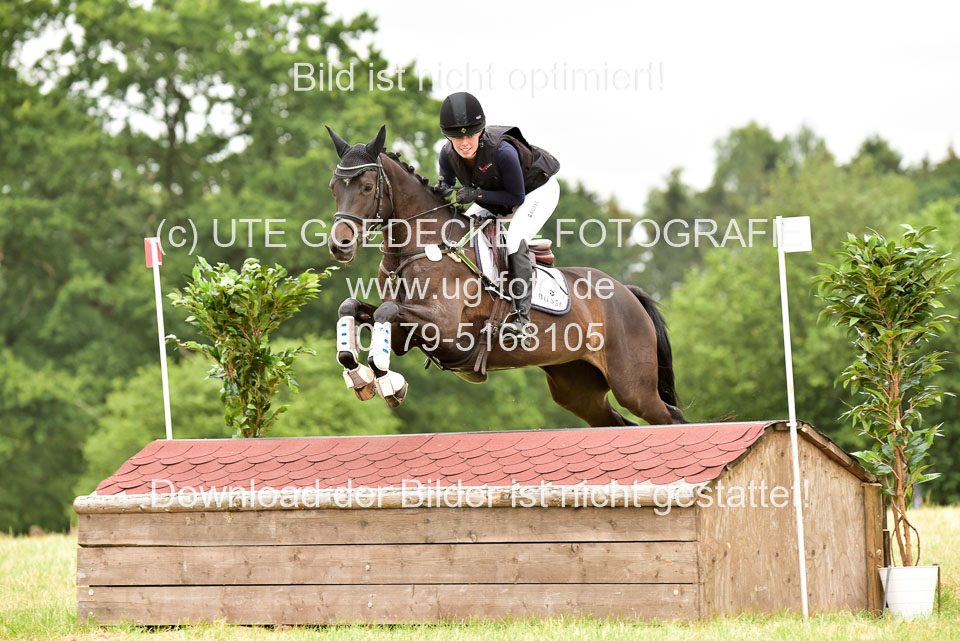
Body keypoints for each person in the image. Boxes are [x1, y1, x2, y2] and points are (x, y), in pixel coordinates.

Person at [437, 92, 561, 340]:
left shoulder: (502, 151)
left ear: (481, 131)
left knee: (514, 239)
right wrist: (441, 192)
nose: (464, 143)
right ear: (447, 136)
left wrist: (475, 194)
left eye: (470, 135)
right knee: (460, 231)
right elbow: (445, 187)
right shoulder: (447, 154)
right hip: (495, 195)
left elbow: (515, 199)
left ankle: (522, 320)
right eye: (457, 137)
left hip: (535, 192)